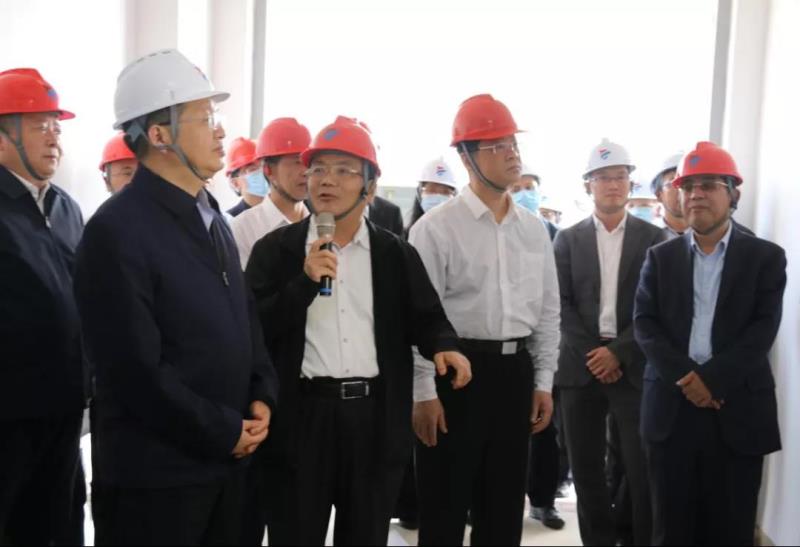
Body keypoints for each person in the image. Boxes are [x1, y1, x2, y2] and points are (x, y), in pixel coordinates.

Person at [73, 49, 278, 546]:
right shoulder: (116, 231)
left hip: (229, 469)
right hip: (158, 482)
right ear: (159, 134)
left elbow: (244, 320)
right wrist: (222, 430)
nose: (220, 131)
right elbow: (134, 372)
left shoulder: (212, 218)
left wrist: (262, 393)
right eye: (204, 118)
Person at [246, 115, 472, 546]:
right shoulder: (275, 251)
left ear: (369, 188)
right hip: (301, 419)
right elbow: (254, 328)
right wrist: (303, 284)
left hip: (373, 421)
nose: (326, 180)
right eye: (318, 169)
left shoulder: (395, 254)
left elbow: (427, 316)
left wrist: (445, 346)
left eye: (344, 170)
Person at [410, 94, 560, 546]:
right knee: (444, 506)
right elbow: (417, 318)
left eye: (513, 143)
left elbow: (547, 313)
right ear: (466, 157)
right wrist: (423, 393)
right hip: (454, 377)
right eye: (497, 146)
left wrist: (543, 382)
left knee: (503, 510)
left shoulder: (533, 229)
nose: (512, 154)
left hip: (515, 375)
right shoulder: (435, 229)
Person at [634, 142, 786, 545]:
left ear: (733, 194)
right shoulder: (659, 258)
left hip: (736, 409)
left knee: (731, 528)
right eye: (688, 186)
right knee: (671, 529)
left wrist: (712, 381)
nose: (695, 194)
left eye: (708, 185)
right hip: (671, 409)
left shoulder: (766, 258)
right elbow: (645, 324)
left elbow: (762, 330)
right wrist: (688, 378)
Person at [553, 138, 663, 546]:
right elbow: (559, 304)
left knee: (640, 467)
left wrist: (617, 352)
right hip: (579, 366)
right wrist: (595, 355)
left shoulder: (655, 239)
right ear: (588, 185)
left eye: (620, 176)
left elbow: (656, 308)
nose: (613, 184)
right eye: (603, 177)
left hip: (632, 364)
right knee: (586, 470)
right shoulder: (567, 239)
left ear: (631, 182)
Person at [0, 67, 87, 546]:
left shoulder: (66, 208)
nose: (54, 138)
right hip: (10, 416)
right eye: (39, 126)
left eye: (57, 126)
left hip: (65, 408)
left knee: (61, 522)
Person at [231, 117, 311, 270]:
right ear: (268, 170)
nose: (305, 172)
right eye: (297, 162)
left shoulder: (322, 224)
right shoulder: (243, 228)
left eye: (309, 163)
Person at [403, 157, 459, 239]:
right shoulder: (406, 237)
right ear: (419, 193)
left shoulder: (461, 236)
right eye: (432, 190)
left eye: (445, 192)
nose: (438, 196)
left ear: (454, 196)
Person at [510, 165, 559, 239]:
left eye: (529, 188)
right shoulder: (499, 234)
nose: (524, 194)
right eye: (516, 189)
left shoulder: (558, 235)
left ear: (539, 192)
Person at [651, 152, 688, 239]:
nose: (682, 190)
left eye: (688, 183)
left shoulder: (711, 234)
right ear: (659, 195)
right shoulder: (648, 235)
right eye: (674, 183)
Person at [226, 137, 264, 217]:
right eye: (253, 169)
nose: (261, 172)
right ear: (235, 183)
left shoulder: (284, 213)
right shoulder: (229, 220)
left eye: (263, 166)